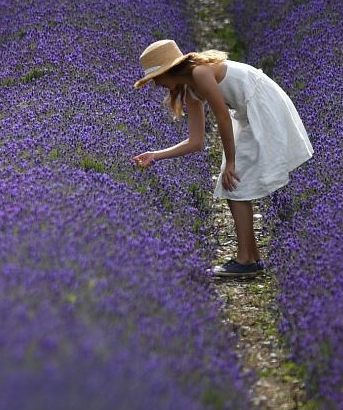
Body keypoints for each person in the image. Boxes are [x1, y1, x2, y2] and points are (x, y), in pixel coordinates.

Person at [130, 39, 312, 280]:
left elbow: (223, 118)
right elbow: (196, 142)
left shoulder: (201, 72)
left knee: (234, 182)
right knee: (234, 185)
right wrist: (155, 155)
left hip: (262, 103)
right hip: (249, 109)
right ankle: (252, 257)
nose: (156, 85)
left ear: (168, 72)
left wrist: (232, 163)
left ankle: (245, 260)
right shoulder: (192, 91)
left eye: (155, 78)